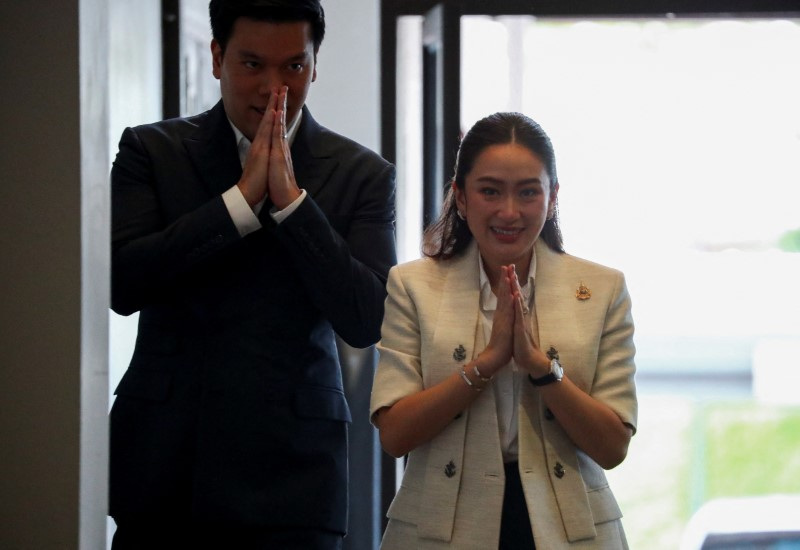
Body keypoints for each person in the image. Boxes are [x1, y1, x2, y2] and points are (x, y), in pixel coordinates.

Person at [108, 0, 396, 548]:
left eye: (293, 66)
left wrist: (292, 206)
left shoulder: (363, 174)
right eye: (251, 65)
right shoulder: (152, 151)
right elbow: (122, 285)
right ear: (217, 58)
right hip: (168, 464)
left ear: (315, 64)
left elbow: (366, 318)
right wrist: (238, 205)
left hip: (294, 474)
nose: (273, 89)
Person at [370, 112, 637, 549]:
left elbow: (612, 447)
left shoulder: (604, 289)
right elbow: (395, 434)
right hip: (441, 526)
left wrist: (539, 367)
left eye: (528, 192)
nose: (508, 212)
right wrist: (486, 364)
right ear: (460, 196)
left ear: (552, 197)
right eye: (490, 191)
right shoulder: (412, 285)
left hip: (569, 529)